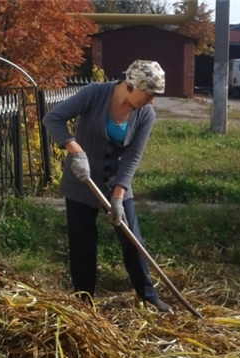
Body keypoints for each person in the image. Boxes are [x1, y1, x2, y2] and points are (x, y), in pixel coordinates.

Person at [42, 60, 171, 312]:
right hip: (81, 181)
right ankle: (84, 302)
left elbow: (132, 157)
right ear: (132, 86)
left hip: (117, 183)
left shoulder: (145, 114)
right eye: (150, 94)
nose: (152, 101)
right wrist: (74, 149)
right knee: (83, 244)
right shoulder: (95, 94)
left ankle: (148, 297)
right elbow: (52, 118)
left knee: (133, 241)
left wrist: (118, 196)